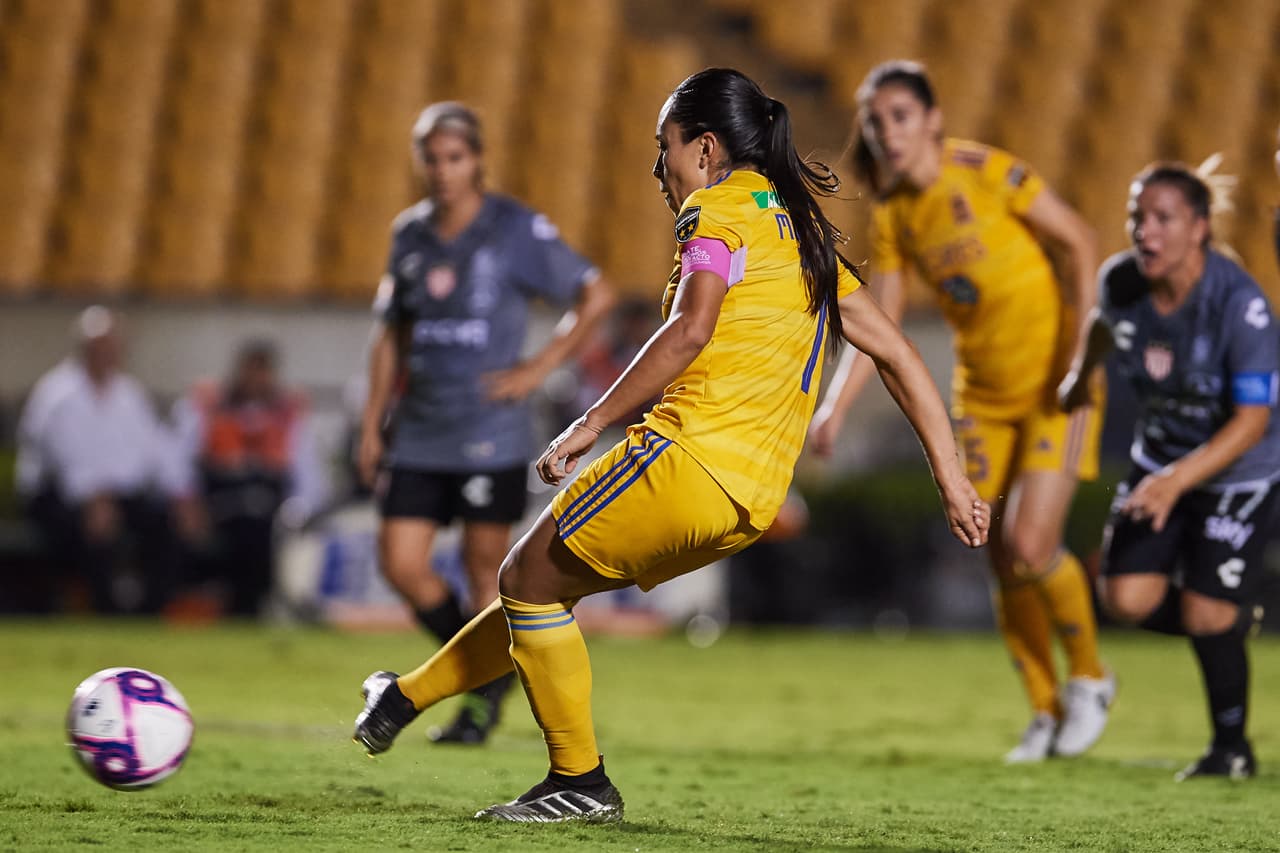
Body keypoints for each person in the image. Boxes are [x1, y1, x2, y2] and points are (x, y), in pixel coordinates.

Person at [352, 67, 989, 823]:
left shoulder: (713, 210)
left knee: (522, 579)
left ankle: (579, 781)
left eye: (666, 147)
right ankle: (404, 697)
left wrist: (591, 421)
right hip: (749, 501)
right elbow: (900, 354)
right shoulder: (800, 229)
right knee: (543, 590)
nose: (659, 167)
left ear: (707, 148)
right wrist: (953, 480)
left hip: (688, 458)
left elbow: (690, 328)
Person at [810, 60, 1112, 763]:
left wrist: (1082, 352)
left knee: (1031, 544)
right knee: (999, 555)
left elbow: (1079, 240)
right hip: (983, 396)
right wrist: (835, 406)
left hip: (1056, 388)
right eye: (876, 122)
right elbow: (881, 322)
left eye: (900, 116)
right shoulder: (894, 214)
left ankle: (1091, 678)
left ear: (933, 120)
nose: (887, 132)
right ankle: (1045, 709)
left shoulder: (986, 172)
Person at [356, 101, 616, 744]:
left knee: (484, 571)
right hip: (419, 428)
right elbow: (390, 335)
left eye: (455, 157)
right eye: (432, 159)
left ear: (476, 161)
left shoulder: (513, 228)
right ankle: (484, 678)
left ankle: (475, 703)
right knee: (400, 562)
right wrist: (372, 422)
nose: (442, 170)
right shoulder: (409, 234)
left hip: (488, 431)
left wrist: (539, 367)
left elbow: (597, 294)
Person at [1059, 162, 1280, 780]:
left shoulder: (1240, 306)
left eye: (1163, 218)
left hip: (1237, 472)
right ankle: (1225, 616)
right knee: (1126, 599)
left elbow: (1252, 423)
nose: (1145, 231)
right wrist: (1080, 376)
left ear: (1199, 228)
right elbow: (1103, 325)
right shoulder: (1121, 281)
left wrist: (1177, 481)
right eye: (1137, 217)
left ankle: (1230, 749)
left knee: (1206, 613)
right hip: (1159, 458)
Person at [15, 306, 196, 613]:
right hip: (60, 496)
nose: (107, 354)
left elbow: (156, 450)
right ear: (84, 349)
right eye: (99, 347)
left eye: (112, 346)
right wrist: (92, 499)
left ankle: (150, 613)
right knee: (93, 533)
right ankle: (105, 611)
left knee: (164, 526)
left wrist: (182, 494)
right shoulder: (56, 394)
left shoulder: (130, 394)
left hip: (118, 495)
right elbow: (61, 457)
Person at [171, 340, 328, 617]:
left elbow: (310, 480)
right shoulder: (208, 409)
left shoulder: (289, 417)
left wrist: (294, 516)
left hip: (270, 513)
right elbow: (178, 462)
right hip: (218, 509)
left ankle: (252, 608)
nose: (255, 379)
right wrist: (188, 503)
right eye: (250, 370)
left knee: (259, 537)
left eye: (262, 370)